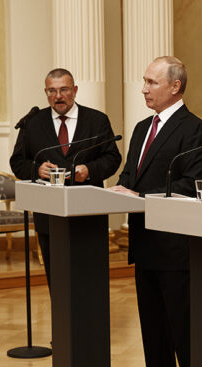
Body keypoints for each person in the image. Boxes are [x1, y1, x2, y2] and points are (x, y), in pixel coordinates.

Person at [108, 56, 202, 367]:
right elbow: (129, 175)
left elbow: (190, 184)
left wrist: (137, 192)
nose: (144, 89)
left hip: (176, 244)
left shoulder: (195, 130)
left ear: (175, 87)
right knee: (152, 322)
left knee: (183, 326)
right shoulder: (140, 128)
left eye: (152, 82)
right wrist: (122, 191)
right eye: (144, 81)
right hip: (144, 239)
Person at [10, 68, 122, 285]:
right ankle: (60, 318)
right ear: (46, 92)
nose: (58, 96)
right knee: (58, 278)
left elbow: (112, 158)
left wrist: (89, 170)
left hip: (88, 211)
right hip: (49, 214)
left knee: (90, 277)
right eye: (52, 91)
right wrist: (36, 170)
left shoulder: (97, 120)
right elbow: (17, 162)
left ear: (75, 90)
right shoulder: (32, 123)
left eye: (64, 90)